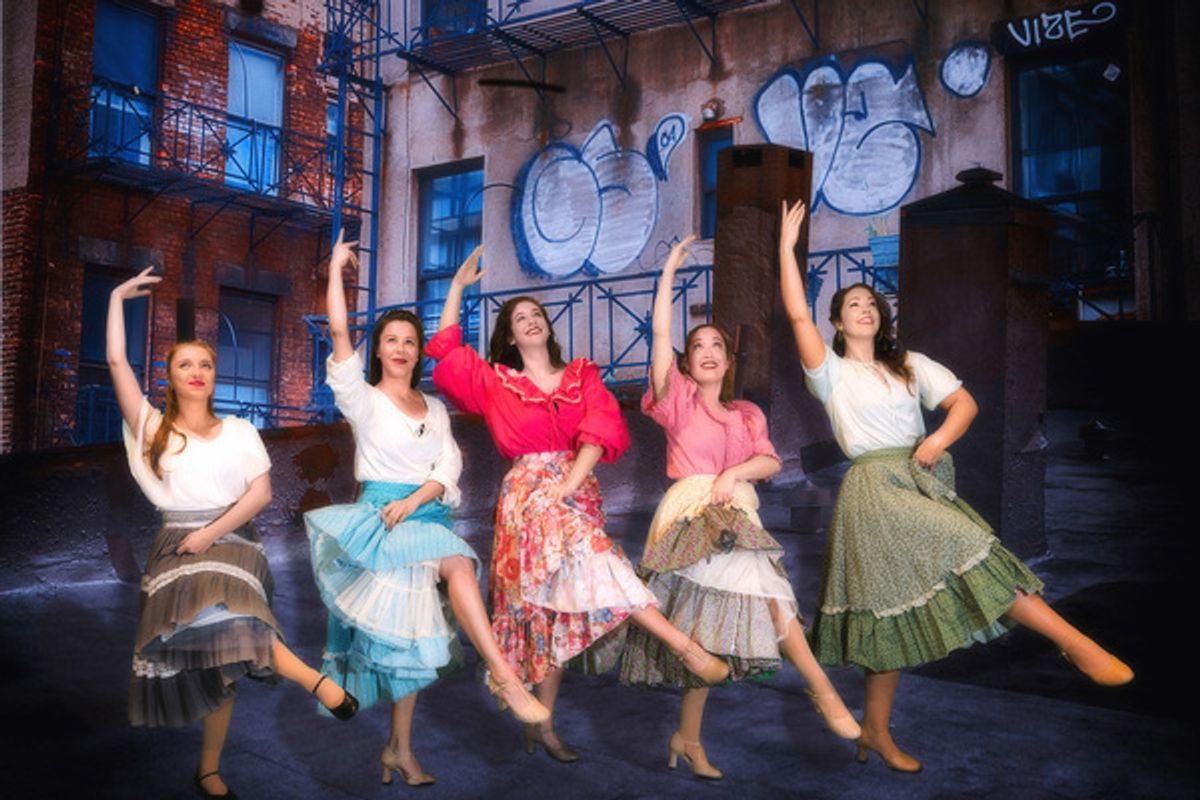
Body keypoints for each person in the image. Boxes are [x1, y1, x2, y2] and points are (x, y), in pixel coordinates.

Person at [777, 199, 1133, 774]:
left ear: (882, 317)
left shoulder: (911, 364)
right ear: (838, 323)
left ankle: (875, 730)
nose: (865, 308)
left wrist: (939, 441)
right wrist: (786, 250)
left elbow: (964, 404)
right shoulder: (830, 373)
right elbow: (796, 315)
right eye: (852, 305)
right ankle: (1076, 644)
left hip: (920, 475)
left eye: (872, 302)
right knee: (954, 559)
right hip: (872, 488)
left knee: (896, 603)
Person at [426, 246, 731, 763]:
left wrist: (570, 481)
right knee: (590, 567)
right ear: (509, 335)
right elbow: (446, 355)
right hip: (529, 495)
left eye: (536, 314)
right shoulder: (497, 382)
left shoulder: (582, 374)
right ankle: (685, 648)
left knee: (563, 604)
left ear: (547, 327)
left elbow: (600, 427)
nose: (530, 321)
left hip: (575, 488)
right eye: (519, 318)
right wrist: (457, 289)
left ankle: (541, 726)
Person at [304, 232, 549, 787]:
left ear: (417, 352)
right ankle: (503, 678)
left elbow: (449, 468)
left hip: (425, 515)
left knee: (428, 617)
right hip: (381, 520)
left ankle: (399, 748)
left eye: (409, 341)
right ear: (380, 349)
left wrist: (417, 500)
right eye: (390, 339)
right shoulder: (363, 400)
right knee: (440, 595)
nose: (399, 348)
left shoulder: (435, 408)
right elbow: (340, 333)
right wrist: (338, 272)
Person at [108, 267, 357, 800]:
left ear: (214, 375)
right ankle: (210, 771)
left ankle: (316, 683)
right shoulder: (152, 428)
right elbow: (115, 363)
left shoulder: (241, 431)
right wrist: (114, 298)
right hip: (176, 548)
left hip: (233, 544)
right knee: (223, 656)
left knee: (238, 623)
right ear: (170, 375)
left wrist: (210, 535)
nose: (196, 372)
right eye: (184, 365)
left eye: (205, 364)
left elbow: (260, 494)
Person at [620, 236, 861, 780]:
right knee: (770, 608)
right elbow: (660, 334)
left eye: (717, 346)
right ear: (687, 361)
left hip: (738, 514)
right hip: (691, 512)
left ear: (728, 361)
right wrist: (669, 274)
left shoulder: (747, 412)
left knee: (720, 625)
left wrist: (732, 472)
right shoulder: (675, 399)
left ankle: (687, 737)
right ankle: (823, 693)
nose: (707, 351)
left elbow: (769, 462)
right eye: (698, 345)